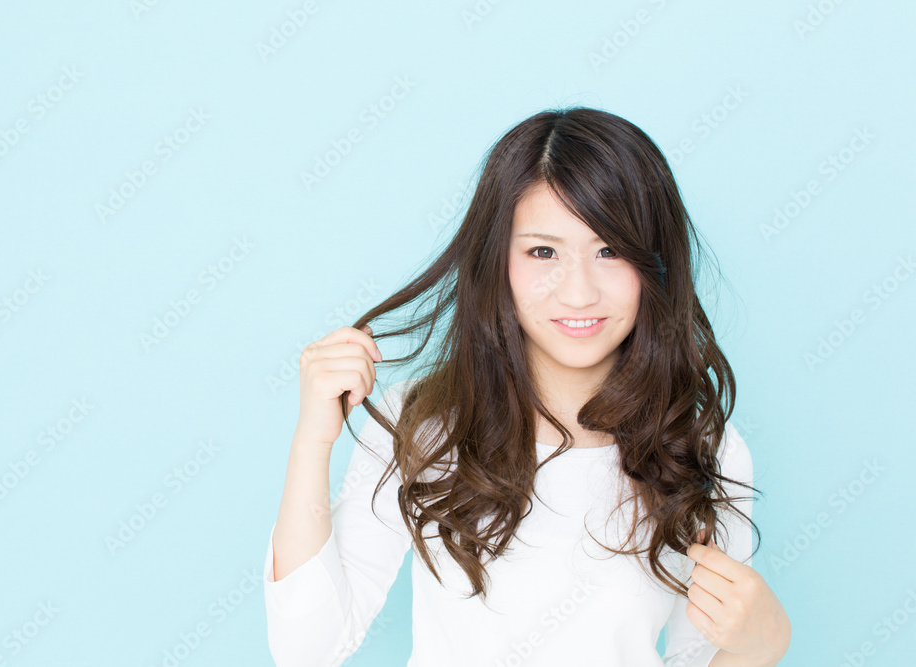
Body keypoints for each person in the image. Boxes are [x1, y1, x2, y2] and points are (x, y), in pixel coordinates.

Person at [263, 106, 792, 666]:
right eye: (544, 251)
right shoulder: (423, 425)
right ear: (499, 262)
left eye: (610, 251)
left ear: (654, 264)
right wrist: (311, 443)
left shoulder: (701, 445)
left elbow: (700, 655)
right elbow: (307, 650)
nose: (579, 292)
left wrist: (764, 646)